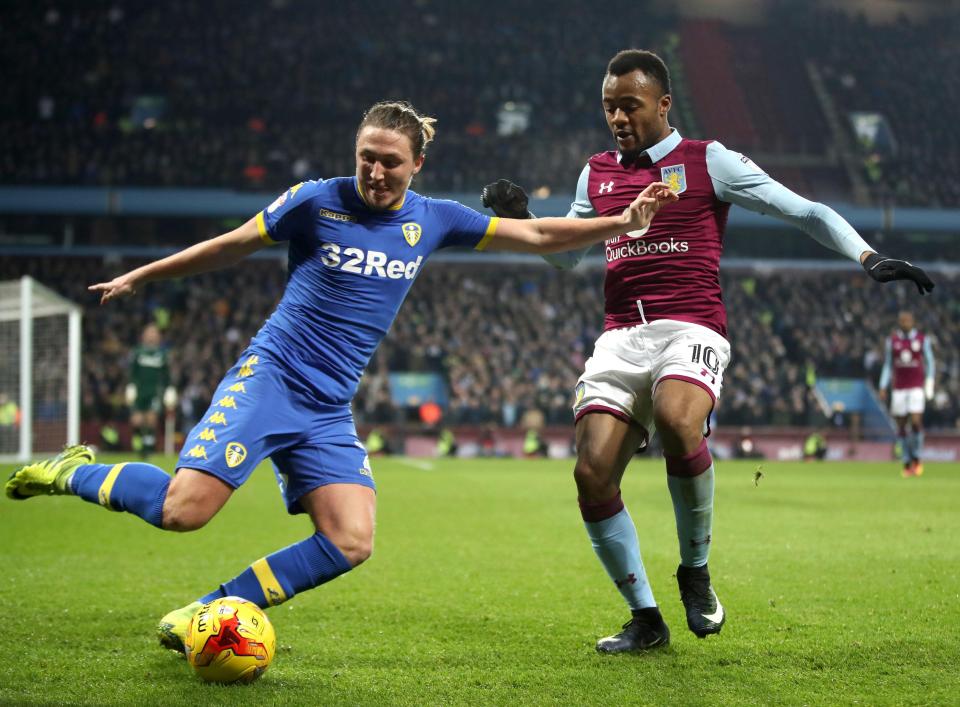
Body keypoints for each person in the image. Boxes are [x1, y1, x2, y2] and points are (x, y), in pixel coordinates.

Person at [6, 100, 676, 655]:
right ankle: (70, 470)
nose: (376, 172)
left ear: (418, 164)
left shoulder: (433, 218)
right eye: (366, 158)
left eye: (390, 161)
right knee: (184, 511)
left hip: (327, 407)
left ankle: (209, 612)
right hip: (271, 378)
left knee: (352, 539)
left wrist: (620, 221)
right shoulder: (315, 201)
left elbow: (535, 237)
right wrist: (141, 275)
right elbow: (229, 244)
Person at [481, 49, 934, 654]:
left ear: (663, 105)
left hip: (690, 326)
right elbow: (567, 256)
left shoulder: (707, 160)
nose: (617, 117)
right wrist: (521, 217)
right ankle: (646, 618)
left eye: (630, 106)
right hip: (619, 336)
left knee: (676, 418)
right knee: (590, 475)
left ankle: (694, 570)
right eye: (609, 106)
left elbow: (801, 210)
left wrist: (868, 257)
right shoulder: (597, 173)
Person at [878, 311, 934, 477]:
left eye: (908, 320)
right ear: (899, 322)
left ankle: (917, 457)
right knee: (901, 425)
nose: (905, 323)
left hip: (916, 386)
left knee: (916, 422)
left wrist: (929, 382)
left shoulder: (922, 339)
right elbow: (888, 365)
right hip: (899, 388)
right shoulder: (892, 341)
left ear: (913, 321)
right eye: (902, 321)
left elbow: (930, 362)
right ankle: (906, 461)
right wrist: (883, 385)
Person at [127, 323, 176, 457]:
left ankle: (148, 449)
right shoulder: (137, 352)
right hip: (139, 391)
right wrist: (130, 386)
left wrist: (170, 389)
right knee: (136, 420)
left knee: (151, 419)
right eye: (149, 332)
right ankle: (139, 444)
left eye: (154, 333)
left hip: (155, 392)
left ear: (158, 336)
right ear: (144, 335)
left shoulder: (162, 354)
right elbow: (132, 373)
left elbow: (167, 375)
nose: (151, 335)